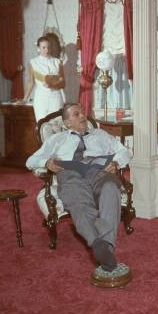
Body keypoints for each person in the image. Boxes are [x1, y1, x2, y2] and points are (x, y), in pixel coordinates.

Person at [26, 103, 132, 271]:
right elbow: (30, 161)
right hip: (71, 175)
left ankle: (106, 249)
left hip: (100, 172)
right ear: (67, 123)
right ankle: (98, 244)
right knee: (79, 204)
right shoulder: (57, 139)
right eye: (76, 114)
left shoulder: (101, 135)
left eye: (83, 112)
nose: (83, 116)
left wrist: (116, 162)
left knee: (111, 189)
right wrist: (46, 162)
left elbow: (125, 151)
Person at [23, 36, 65, 121]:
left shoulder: (57, 62)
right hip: (41, 98)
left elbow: (63, 83)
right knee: (42, 124)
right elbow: (31, 82)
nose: (46, 50)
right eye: (43, 47)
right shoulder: (33, 62)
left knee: (56, 124)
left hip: (55, 97)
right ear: (38, 48)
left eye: (48, 47)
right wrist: (24, 99)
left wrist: (52, 84)